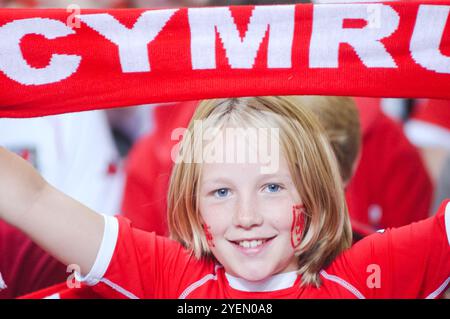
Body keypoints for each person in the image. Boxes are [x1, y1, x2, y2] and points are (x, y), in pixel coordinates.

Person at [0, 96, 448, 299]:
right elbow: (32, 198)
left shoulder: (366, 273)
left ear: (316, 193)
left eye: (272, 187)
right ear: (192, 207)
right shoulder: (169, 275)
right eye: (221, 192)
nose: (247, 216)